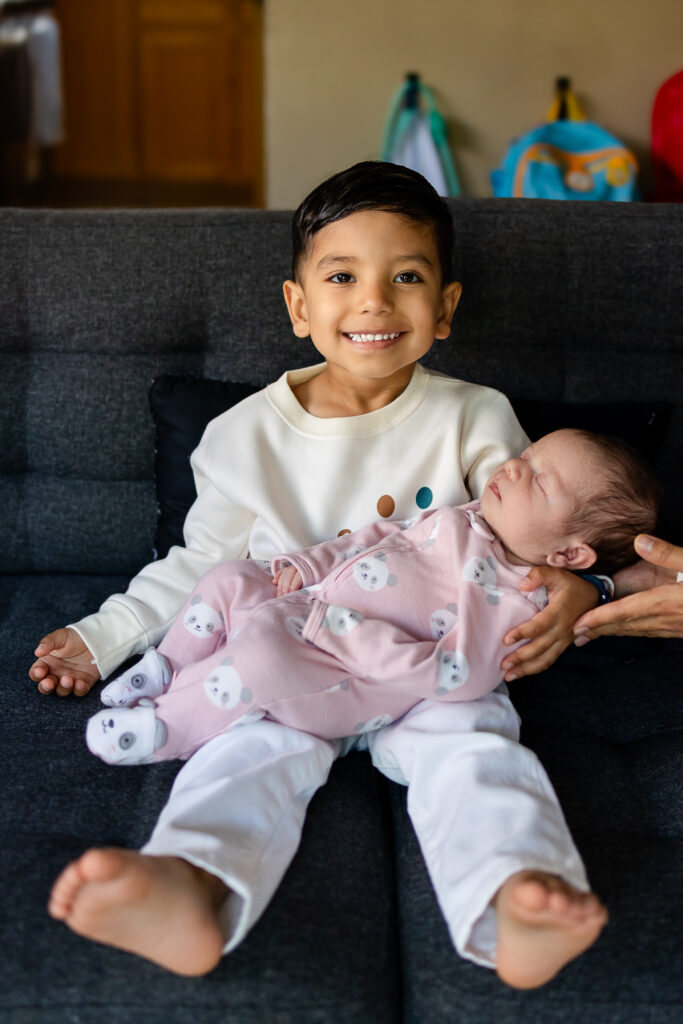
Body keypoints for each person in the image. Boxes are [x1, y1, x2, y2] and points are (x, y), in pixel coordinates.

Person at [37, 161, 607, 989]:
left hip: (429, 665)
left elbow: (546, 532)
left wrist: (585, 589)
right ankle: (190, 886)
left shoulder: (473, 415)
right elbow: (201, 564)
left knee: (478, 751)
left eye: (405, 277)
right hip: (290, 658)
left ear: (444, 308)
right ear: (300, 306)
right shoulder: (241, 437)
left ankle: (512, 895)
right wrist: (104, 636)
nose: (373, 301)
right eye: (342, 277)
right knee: (239, 756)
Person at [84, 428, 662, 767]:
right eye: (527, 455)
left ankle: (163, 729)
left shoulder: (516, 598)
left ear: (569, 555)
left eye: (537, 479)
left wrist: (340, 628)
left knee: (257, 663)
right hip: (308, 603)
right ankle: (167, 666)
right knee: (228, 581)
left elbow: (457, 674)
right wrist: (305, 564)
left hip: (338, 666)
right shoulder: (469, 518)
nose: (512, 467)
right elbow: (378, 537)